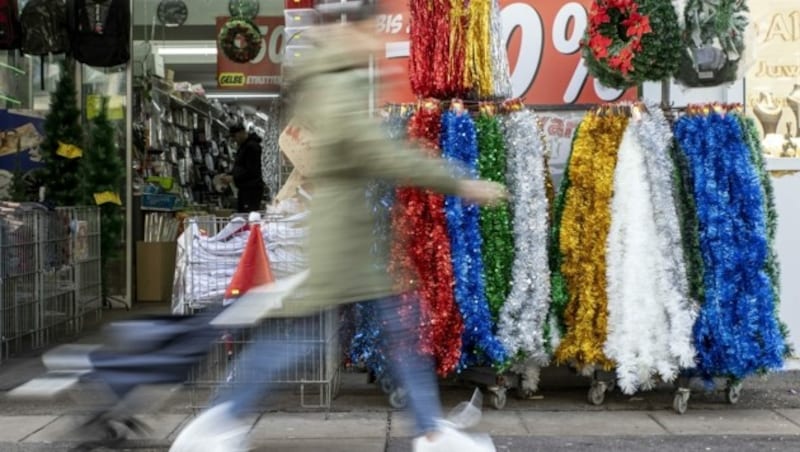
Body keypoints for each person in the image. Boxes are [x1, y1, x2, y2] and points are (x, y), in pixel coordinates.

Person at [169, 2, 507, 451]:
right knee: (307, 342)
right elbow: (377, 153)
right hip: (342, 242)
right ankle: (216, 422)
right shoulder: (337, 84)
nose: (374, 40)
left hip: (348, 236)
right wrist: (457, 181)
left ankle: (429, 430)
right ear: (347, 31)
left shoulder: (334, 78)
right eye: (369, 31)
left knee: (388, 334)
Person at [228, 123, 266, 212]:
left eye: (234, 136)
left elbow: (252, 170)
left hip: (251, 190)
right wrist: (231, 174)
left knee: (248, 217)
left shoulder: (251, 147)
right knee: (244, 217)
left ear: (242, 132)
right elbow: (241, 165)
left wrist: (233, 177)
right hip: (246, 189)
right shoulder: (244, 147)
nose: (233, 139)